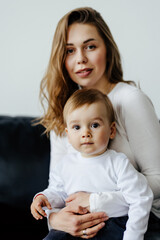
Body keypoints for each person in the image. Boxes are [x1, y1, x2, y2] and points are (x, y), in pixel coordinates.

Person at [31, 7, 160, 239]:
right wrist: (56, 218)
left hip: (138, 217)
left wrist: (96, 201)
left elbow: (158, 178)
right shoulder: (65, 113)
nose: (81, 58)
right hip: (81, 221)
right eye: (70, 50)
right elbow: (59, 186)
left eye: (90, 46)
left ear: (107, 50)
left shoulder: (130, 101)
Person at [31, 88, 153, 240]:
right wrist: (44, 198)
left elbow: (140, 197)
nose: (85, 133)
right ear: (68, 135)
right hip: (72, 226)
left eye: (94, 125)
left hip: (111, 224)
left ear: (111, 130)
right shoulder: (65, 165)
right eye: (77, 127)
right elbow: (59, 193)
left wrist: (133, 236)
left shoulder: (118, 163)